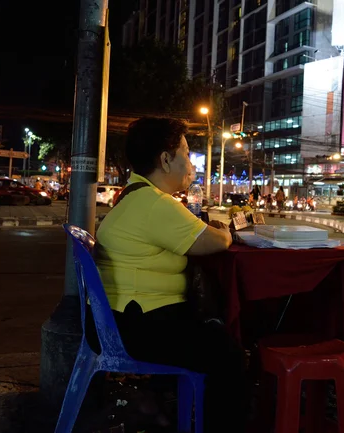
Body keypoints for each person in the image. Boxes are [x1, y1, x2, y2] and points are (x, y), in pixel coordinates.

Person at [91, 117, 248, 433]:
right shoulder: (154, 204)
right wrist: (225, 232)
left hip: (121, 318)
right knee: (228, 354)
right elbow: (216, 241)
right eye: (187, 154)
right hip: (135, 326)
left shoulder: (136, 196)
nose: (191, 163)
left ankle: (172, 409)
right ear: (165, 159)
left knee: (215, 336)